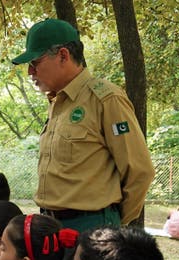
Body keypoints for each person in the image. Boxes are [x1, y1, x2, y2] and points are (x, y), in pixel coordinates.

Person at [11, 18, 155, 232]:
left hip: (91, 228)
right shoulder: (57, 102)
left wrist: (112, 223)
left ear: (63, 55)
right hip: (51, 226)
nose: (30, 72)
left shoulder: (105, 99)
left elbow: (139, 171)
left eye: (35, 62)